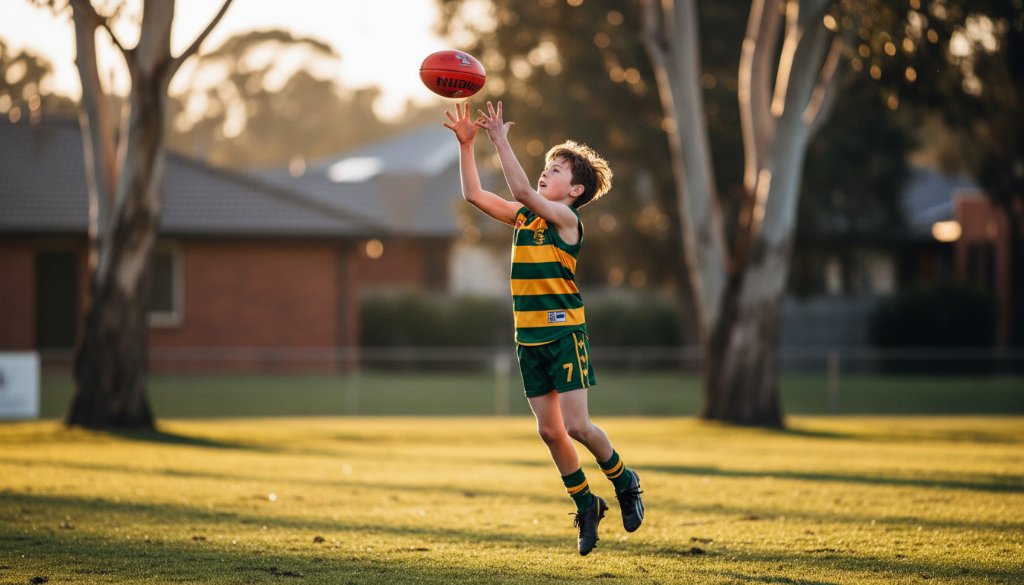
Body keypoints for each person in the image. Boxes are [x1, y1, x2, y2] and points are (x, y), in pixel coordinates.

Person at [443, 100, 644, 556]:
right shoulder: (524, 217)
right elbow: (476, 195)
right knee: (549, 432)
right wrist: (467, 145)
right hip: (528, 339)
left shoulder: (567, 221)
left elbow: (521, 189)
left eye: (556, 170)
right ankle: (585, 504)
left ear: (574, 190)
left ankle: (623, 479)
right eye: (547, 167)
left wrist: (500, 138)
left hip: (564, 335)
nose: (544, 174)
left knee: (576, 426)